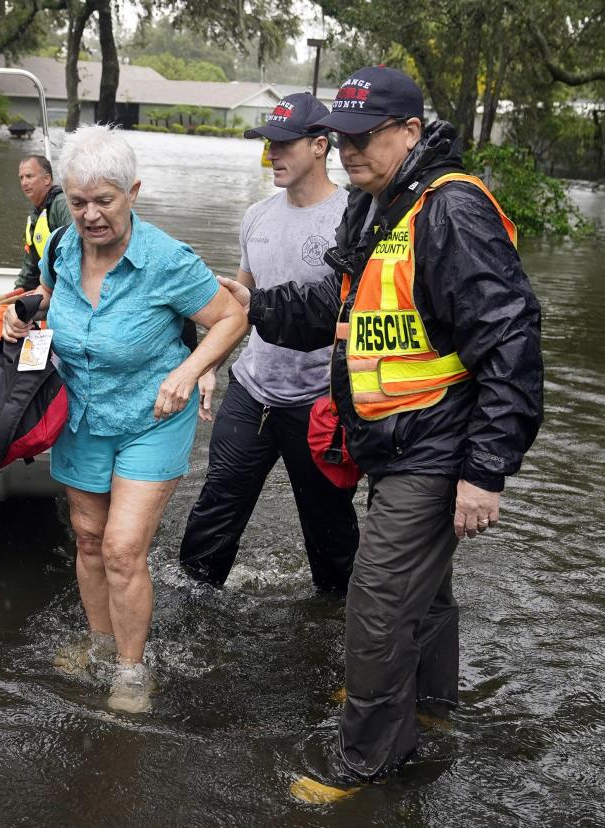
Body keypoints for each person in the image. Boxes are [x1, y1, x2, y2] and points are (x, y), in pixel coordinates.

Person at [219, 67, 543, 801]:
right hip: (390, 440)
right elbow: (336, 310)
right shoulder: (371, 208)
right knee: (420, 598)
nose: (349, 151)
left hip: (436, 443)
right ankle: (428, 710)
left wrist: (485, 471)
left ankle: (366, 760)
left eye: (365, 138)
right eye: (340, 138)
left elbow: (511, 339)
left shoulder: (450, 210)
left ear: (408, 131)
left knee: (374, 602)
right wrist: (252, 304)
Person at [2, 125, 247, 713]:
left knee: (120, 548)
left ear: (133, 192)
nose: (90, 215)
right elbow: (46, 292)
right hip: (83, 412)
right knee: (88, 540)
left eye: (104, 201)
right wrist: (24, 319)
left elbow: (232, 318)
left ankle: (132, 671)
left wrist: (188, 372)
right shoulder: (62, 244)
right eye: (79, 201)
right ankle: (99, 641)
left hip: (151, 417)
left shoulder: (167, 260)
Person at [179, 93, 359, 593]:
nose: (271, 154)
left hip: (319, 402)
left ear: (320, 145)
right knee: (212, 518)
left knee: (330, 541)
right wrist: (212, 363)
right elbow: (239, 306)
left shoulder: (351, 217)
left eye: (283, 144)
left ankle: (335, 625)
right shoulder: (256, 216)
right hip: (252, 389)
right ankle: (190, 613)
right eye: (267, 144)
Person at [14, 154, 70, 291]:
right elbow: (31, 265)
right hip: (50, 283)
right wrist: (19, 289)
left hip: (65, 284)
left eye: (29, 176)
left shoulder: (62, 204)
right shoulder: (36, 214)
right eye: (21, 178)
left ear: (47, 179)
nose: (24, 182)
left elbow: (77, 248)